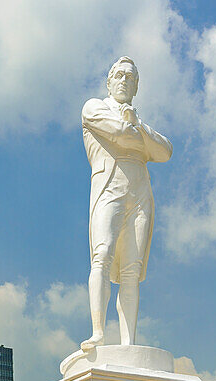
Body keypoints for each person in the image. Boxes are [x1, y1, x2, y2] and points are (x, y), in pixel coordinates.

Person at [81, 56, 173, 352]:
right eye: (119, 75)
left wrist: (139, 128)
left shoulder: (138, 120)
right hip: (108, 187)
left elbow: (164, 151)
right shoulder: (93, 107)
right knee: (102, 255)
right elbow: (119, 133)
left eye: (130, 77)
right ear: (109, 81)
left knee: (132, 268)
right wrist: (136, 136)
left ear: (136, 86)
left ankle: (129, 341)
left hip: (140, 192)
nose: (124, 80)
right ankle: (97, 332)